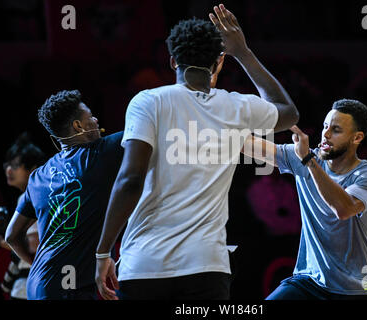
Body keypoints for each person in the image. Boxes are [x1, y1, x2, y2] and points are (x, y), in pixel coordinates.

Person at [95, 4, 299, 300]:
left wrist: (103, 250)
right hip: (207, 266)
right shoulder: (237, 107)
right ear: (219, 62)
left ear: (172, 61)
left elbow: (130, 180)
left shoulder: (148, 101)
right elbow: (289, 113)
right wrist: (242, 52)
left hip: (145, 264)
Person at [244, 99, 367, 300]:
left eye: (336, 130)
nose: (325, 134)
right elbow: (248, 145)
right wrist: (216, 119)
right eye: (325, 126)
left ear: (357, 138)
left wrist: (308, 162)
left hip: (356, 286)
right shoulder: (307, 158)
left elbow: (344, 209)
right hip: (309, 280)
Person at [5, 90, 124, 300]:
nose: (96, 120)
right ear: (78, 126)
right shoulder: (100, 154)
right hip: (67, 286)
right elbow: (145, 130)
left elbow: (12, 235)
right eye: (91, 117)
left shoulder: (38, 176)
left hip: (39, 282)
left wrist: (40, 266)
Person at [0, 133, 45, 299]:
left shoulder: (34, 198)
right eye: (7, 165)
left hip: (31, 282)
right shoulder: (27, 197)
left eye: (15, 165)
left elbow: (33, 244)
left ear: (32, 169)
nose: (8, 170)